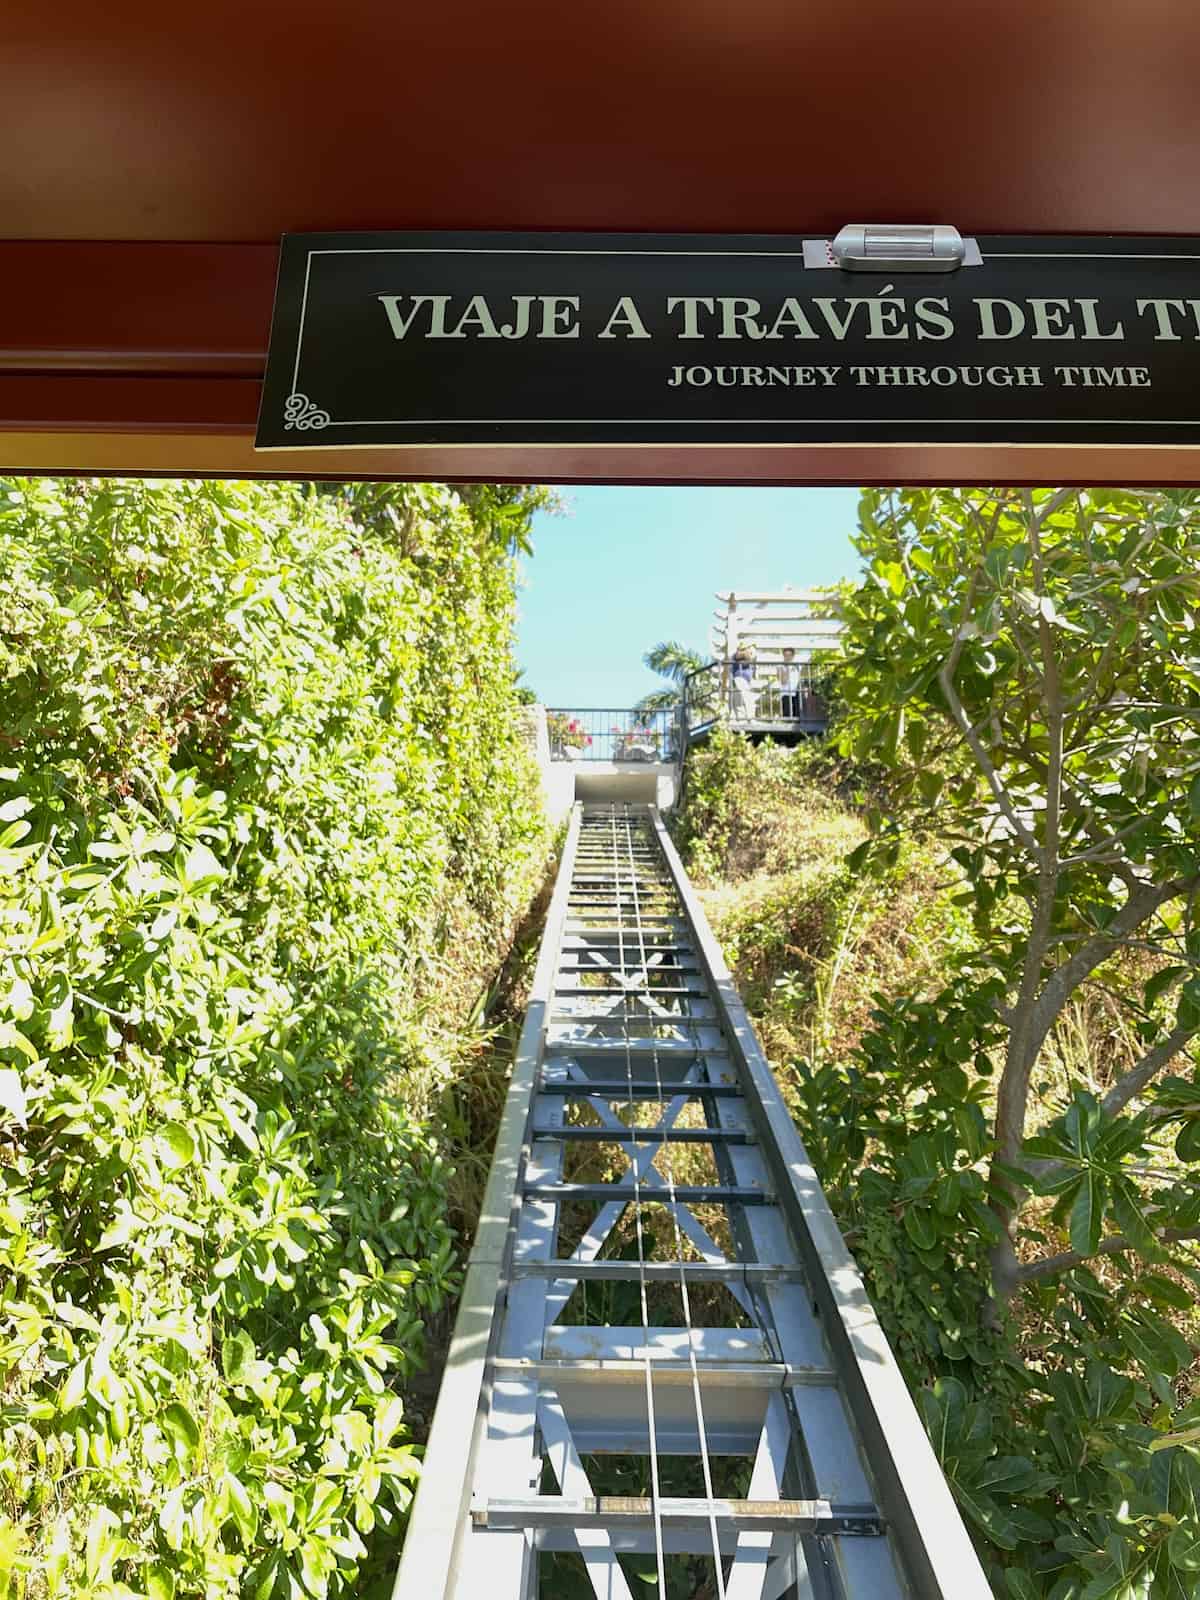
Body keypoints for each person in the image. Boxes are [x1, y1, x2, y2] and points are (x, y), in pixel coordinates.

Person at [730, 643, 756, 719]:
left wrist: (749, 652)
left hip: (746, 681)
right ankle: (744, 718)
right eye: (743, 648)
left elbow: (749, 658)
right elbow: (738, 655)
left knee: (746, 699)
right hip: (739, 678)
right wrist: (746, 651)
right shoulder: (735, 655)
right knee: (743, 699)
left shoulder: (749, 656)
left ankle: (747, 717)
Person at [777, 647, 800, 718]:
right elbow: (783, 681)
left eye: (789, 655)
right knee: (787, 716)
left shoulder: (797, 666)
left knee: (797, 716)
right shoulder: (780, 666)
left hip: (796, 693)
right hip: (786, 694)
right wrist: (788, 668)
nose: (787, 657)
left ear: (793, 656)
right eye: (786, 655)